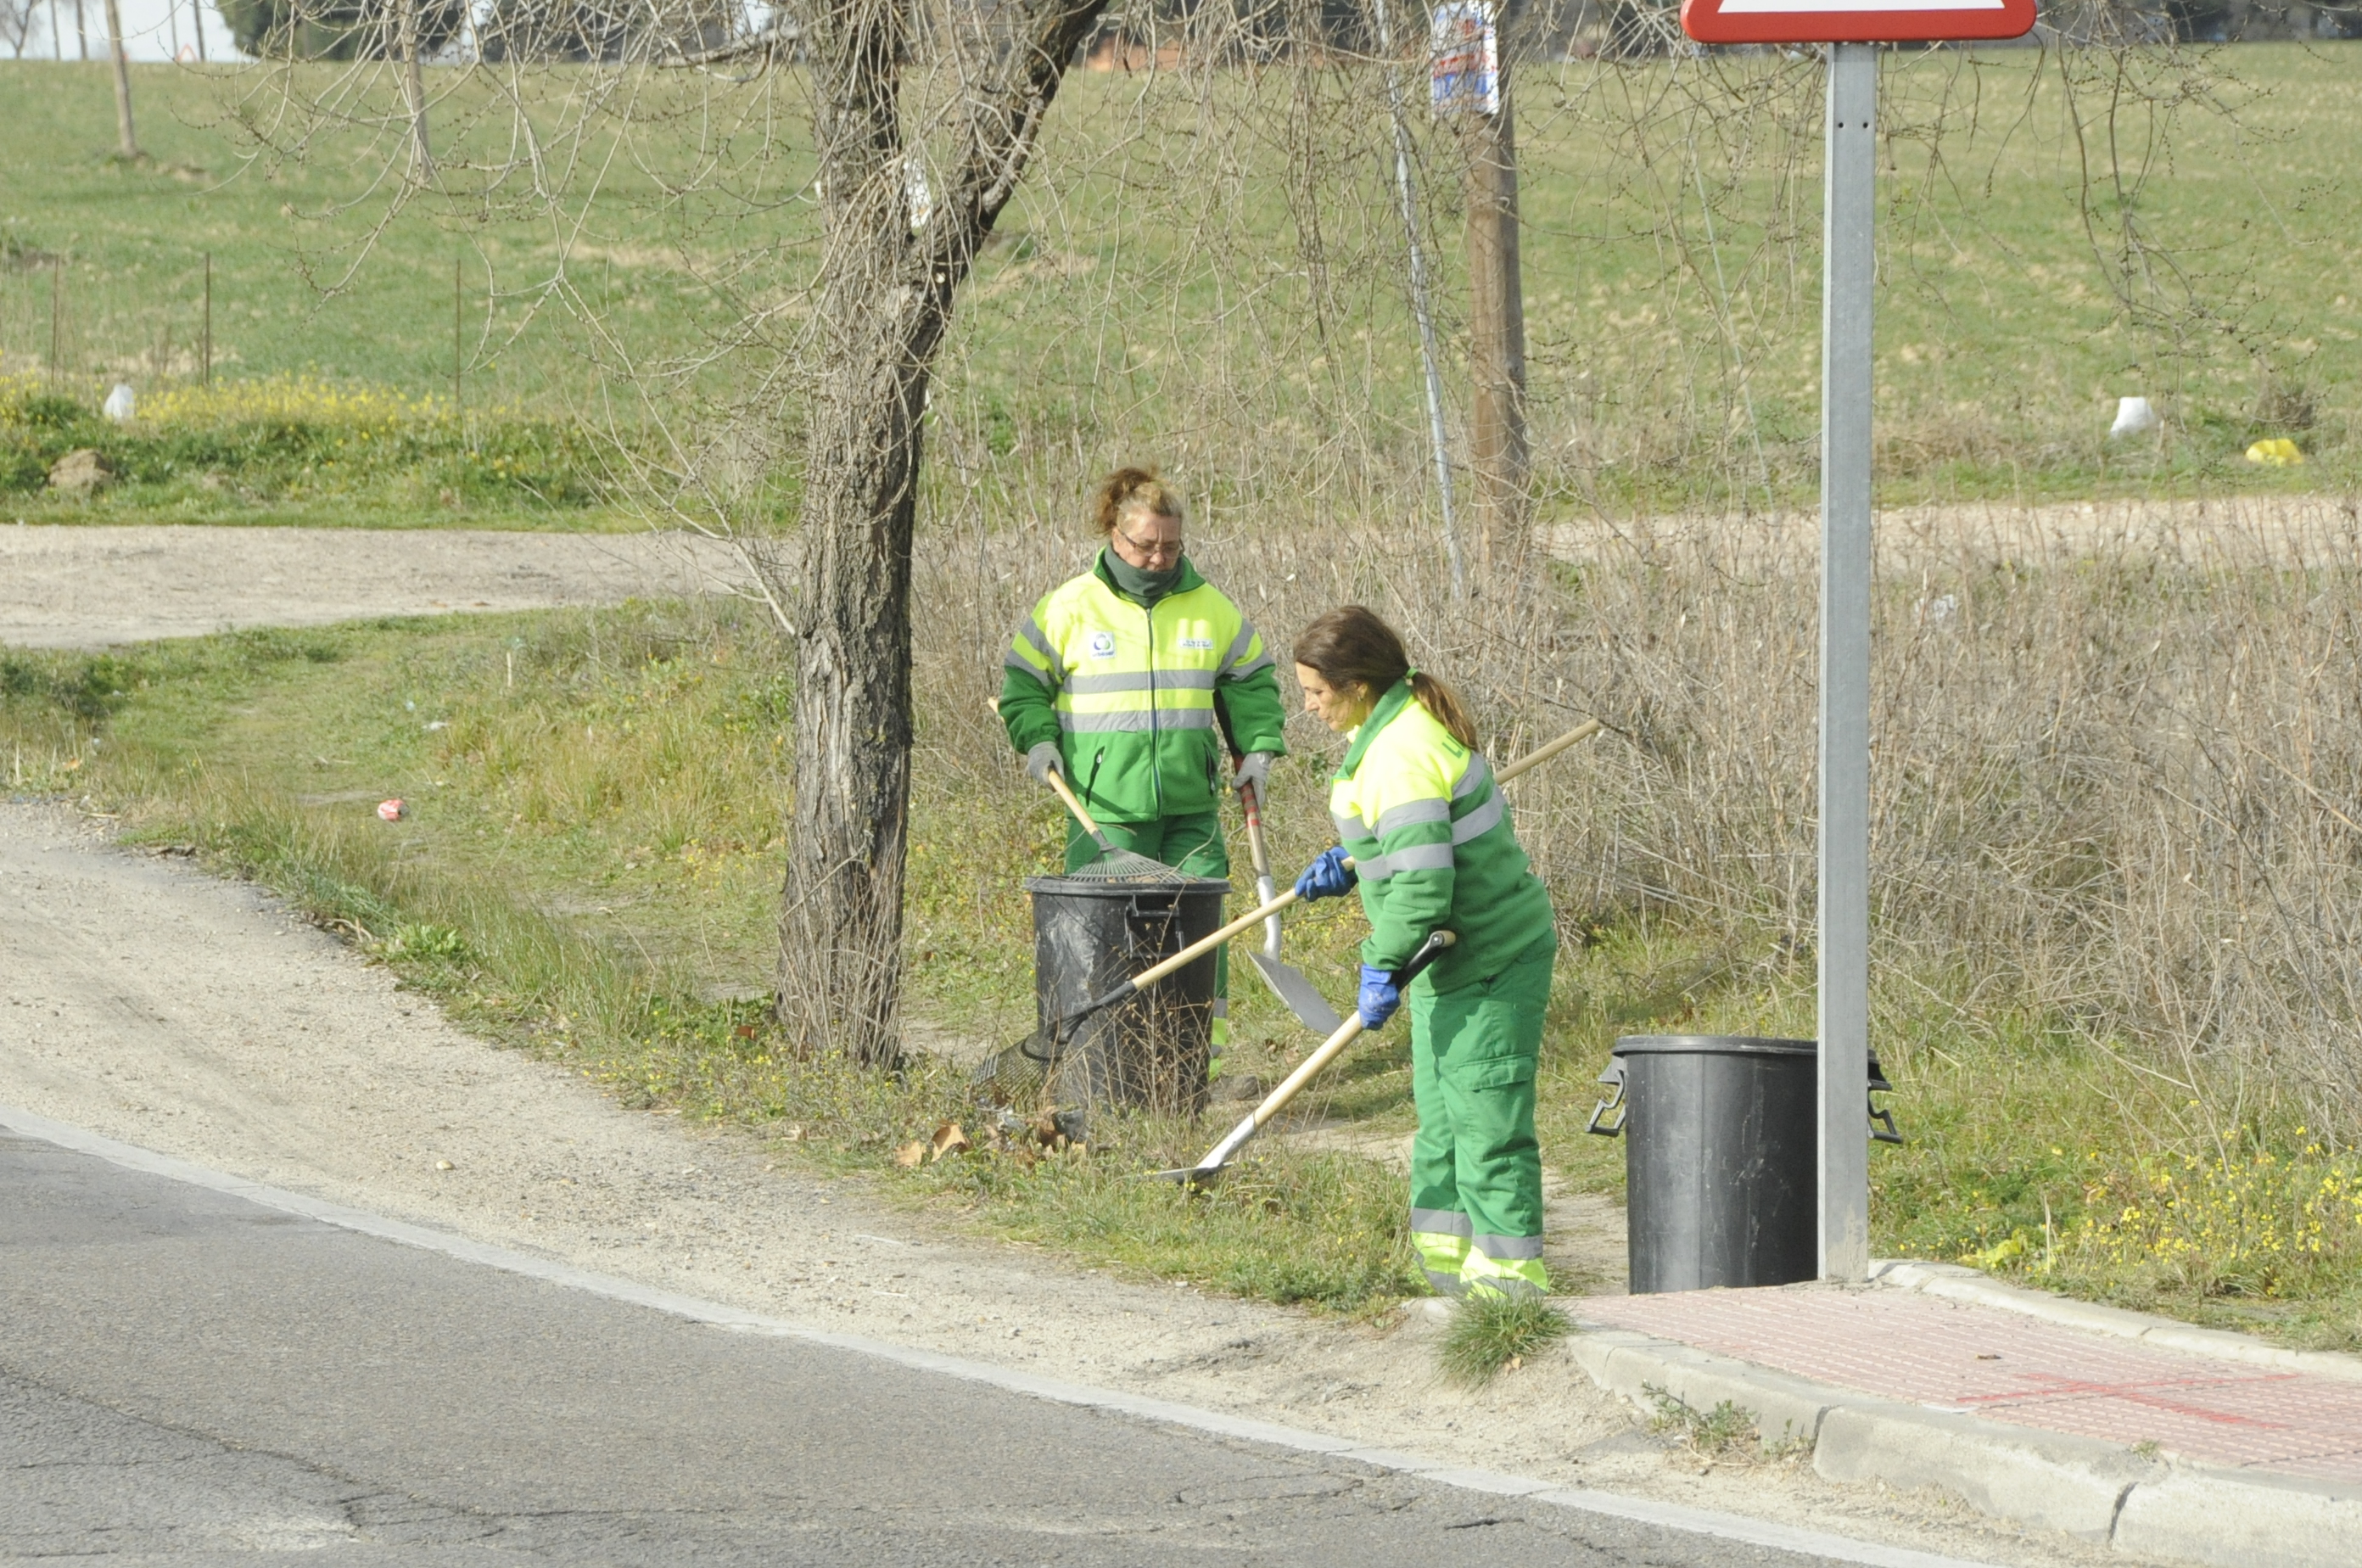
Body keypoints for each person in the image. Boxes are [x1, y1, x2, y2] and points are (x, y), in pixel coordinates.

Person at [1290, 606, 1556, 1300]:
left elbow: (1425, 885)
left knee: (1485, 1122)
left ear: (1356, 686)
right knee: (1441, 1124)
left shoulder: (1401, 752)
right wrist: (1354, 860)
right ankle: (1445, 1274)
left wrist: (1380, 960)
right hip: (1445, 960)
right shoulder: (1388, 735)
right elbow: (1416, 845)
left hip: (1492, 957)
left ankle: (1509, 1286)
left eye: (1316, 693)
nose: (1309, 708)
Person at [1000, 467, 1288, 1070]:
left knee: (1201, 940)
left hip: (1191, 810)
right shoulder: (1070, 607)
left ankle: (1195, 1061)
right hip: (1104, 809)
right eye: (1146, 545)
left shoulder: (1210, 609)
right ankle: (1099, 1059)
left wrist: (1257, 745)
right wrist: (1037, 740)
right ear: (1114, 533)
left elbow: (1250, 680)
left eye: (1172, 546)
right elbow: (1024, 685)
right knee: (1100, 943)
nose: (1159, 558)